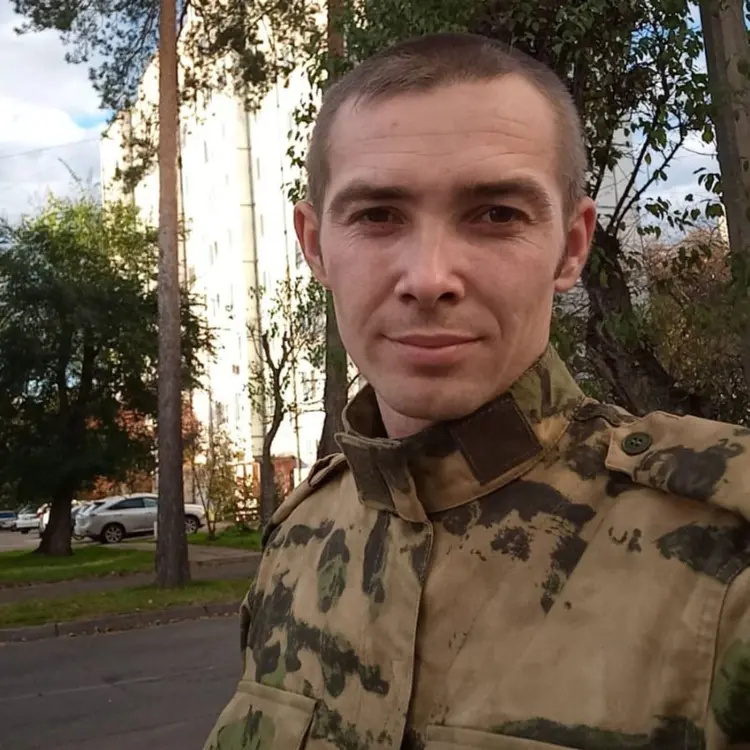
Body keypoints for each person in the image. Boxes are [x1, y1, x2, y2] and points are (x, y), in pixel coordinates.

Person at [204, 32, 750, 750]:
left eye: (497, 214)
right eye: (377, 215)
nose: (429, 278)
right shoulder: (299, 539)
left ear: (572, 247)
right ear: (314, 246)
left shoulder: (724, 555)